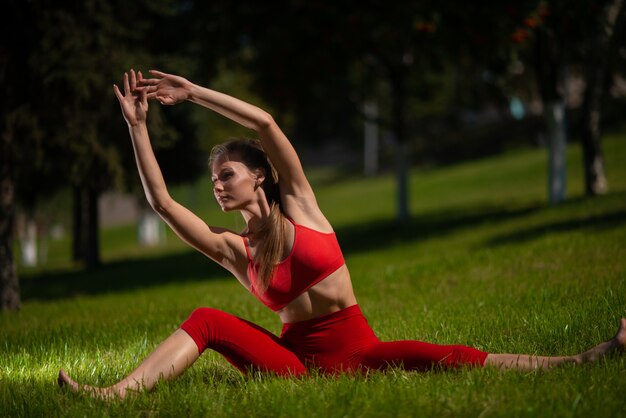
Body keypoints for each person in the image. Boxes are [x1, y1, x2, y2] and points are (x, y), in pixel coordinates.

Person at [58, 69, 626, 400]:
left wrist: (194, 93)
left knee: (456, 357)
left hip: (361, 351)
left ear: (258, 175)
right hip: (297, 367)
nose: (217, 186)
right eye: (212, 181)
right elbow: (160, 202)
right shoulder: (238, 251)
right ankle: (118, 395)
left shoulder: (303, 205)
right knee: (207, 318)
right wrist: (138, 127)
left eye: (225, 174)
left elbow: (264, 124)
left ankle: (584, 359)